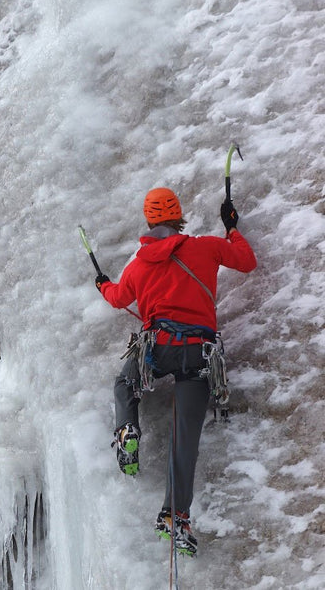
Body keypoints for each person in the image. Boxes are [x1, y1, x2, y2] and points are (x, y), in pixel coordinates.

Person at [94, 187, 256, 555]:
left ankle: (127, 431)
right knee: (185, 440)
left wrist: (102, 284)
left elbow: (119, 298)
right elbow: (247, 263)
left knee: (125, 384)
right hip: (199, 354)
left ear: (149, 221)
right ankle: (175, 517)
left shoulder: (139, 264)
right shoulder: (206, 247)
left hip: (159, 349)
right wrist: (232, 228)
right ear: (178, 217)